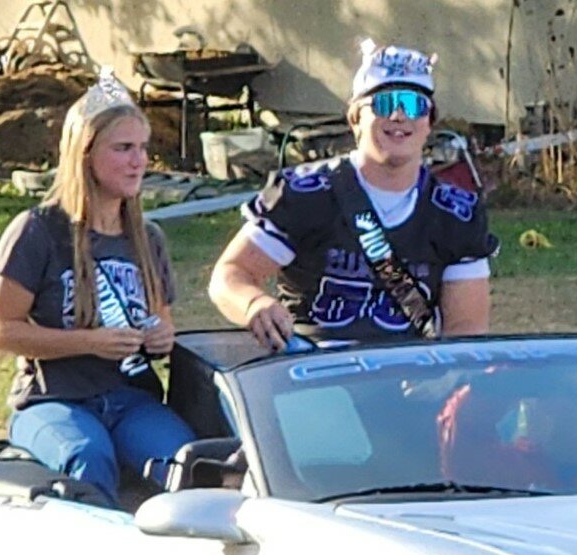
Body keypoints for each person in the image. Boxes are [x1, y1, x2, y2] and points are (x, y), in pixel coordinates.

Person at [0, 69, 195, 505]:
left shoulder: (146, 237)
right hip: (52, 400)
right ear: (85, 154)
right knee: (88, 457)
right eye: (123, 149)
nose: (139, 161)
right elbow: (1, 332)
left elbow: (164, 321)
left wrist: (160, 337)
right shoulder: (38, 231)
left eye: (142, 148)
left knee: (188, 464)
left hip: (130, 398)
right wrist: (88, 342)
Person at [209, 39, 499, 350]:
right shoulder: (304, 194)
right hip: (311, 372)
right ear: (354, 118)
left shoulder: (456, 214)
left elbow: (465, 333)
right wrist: (255, 305)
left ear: (429, 123)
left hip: (407, 377)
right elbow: (230, 274)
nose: (400, 116)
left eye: (414, 105)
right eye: (384, 103)